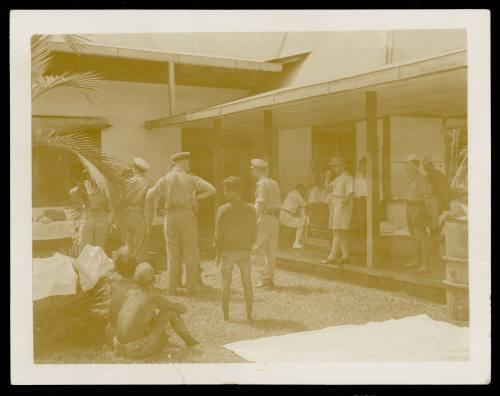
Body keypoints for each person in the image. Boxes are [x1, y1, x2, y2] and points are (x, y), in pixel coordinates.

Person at [145, 152, 216, 295]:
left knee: (172, 253)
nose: (188, 164)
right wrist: (196, 198)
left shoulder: (164, 179)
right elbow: (211, 189)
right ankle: (190, 288)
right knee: (190, 252)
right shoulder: (190, 178)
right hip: (186, 214)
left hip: (170, 215)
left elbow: (150, 195)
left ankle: (172, 289)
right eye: (187, 162)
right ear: (184, 163)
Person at [112, 262, 198, 359]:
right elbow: (182, 309)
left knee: (153, 313)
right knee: (170, 312)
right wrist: (165, 305)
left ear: (135, 280)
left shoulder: (130, 293)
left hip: (118, 347)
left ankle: (184, 341)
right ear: (154, 280)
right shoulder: (153, 298)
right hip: (135, 349)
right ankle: (191, 342)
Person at [214, 177, 257, 322]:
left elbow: (218, 234)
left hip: (227, 251)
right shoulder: (251, 209)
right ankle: (249, 316)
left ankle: (226, 317)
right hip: (245, 251)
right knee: (247, 283)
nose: (224, 193)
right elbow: (253, 234)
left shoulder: (223, 209)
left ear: (232, 191)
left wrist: (217, 253)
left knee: (226, 284)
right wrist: (246, 245)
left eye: (225, 191)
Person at [250, 159, 282, 289]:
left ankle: (265, 276)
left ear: (257, 170)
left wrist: (252, 221)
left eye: (253, 170)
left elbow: (260, 204)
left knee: (255, 248)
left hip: (264, 218)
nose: (252, 172)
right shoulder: (274, 182)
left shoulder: (261, 183)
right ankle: (269, 278)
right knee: (270, 251)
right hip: (274, 219)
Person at [320, 157, 354, 265]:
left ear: (342, 166)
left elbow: (350, 193)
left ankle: (331, 257)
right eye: (333, 167)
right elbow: (327, 189)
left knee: (337, 231)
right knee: (341, 232)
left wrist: (341, 204)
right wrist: (326, 177)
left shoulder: (348, 177)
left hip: (342, 205)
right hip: (335, 204)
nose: (334, 169)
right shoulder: (338, 178)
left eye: (336, 166)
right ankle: (346, 255)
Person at [69, 169, 111, 253]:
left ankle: (97, 265)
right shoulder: (83, 186)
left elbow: (110, 207)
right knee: (85, 246)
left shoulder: (106, 188)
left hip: (102, 218)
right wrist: (81, 202)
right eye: (88, 175)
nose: (90, 177)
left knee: (99, 247)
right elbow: (72, 193)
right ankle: (86, 265)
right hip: (88, 217)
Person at [404, 154, 433, 272]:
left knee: (421, 236)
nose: (407, 167)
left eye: (409, 164)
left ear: (416, 165)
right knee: (413, 236)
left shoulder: (422, 179)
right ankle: (416, 260)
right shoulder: (410, 179)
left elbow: (427, 196)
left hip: (418, 208)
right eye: (406, 164)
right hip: (410, 208)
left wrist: (428, 212)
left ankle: (425, 264)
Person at [122, 157, 153, 263]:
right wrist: (148, 221)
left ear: (135, 168)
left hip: (126, 213)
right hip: (140, 213)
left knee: (128, 243)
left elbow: (120, 199)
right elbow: (148, 204)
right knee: (140, 244)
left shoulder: (127, 182)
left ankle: (128, 268)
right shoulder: (148, 183)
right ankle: (138, 268)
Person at [422, 155, 451, 241]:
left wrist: (444, 206)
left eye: (425, 166)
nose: (424, 168)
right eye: (424, 166)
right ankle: (434, 245)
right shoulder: (433, 175)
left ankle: (435, 247)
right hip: (435, 205)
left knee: (434, 227)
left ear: (430, 165)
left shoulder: (434, 175)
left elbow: (444, 190)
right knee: (433, 226)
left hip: (435, 204)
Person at [280, 184, 307, 249]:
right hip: (286, 216)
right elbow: (305, 205)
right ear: (300, 189)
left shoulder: (292, 194)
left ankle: (297, 242)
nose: (304, 193)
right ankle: (296, 243)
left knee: (299, 222)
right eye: (303, 191)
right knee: (301, 223)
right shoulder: (297, 195)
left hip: (284, 215)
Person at [353, 156, 367, 254]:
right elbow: (355, 190)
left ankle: (368, 247)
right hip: (359, 201)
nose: (359, 167)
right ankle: (361, 247)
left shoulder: (373, 176)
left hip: (370, 201)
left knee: (368, 225)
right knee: (360, 224)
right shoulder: (358, 176)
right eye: (360, 165)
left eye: (362, 165)